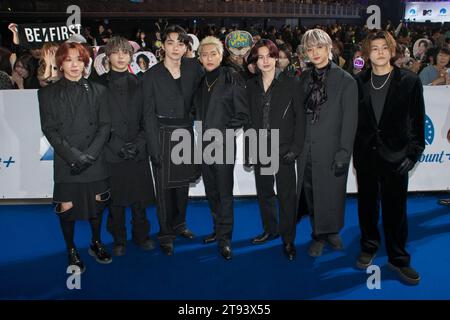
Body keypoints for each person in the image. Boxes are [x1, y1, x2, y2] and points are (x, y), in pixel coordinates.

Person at [354, 31, 425, 285]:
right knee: (367, 206)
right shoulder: (358, 81)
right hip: (366, 157)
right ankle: (369, 246)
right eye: (375, 48)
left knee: (396, 211)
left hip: (397, 157)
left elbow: (417, 122)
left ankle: (398, 259)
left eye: (385, 47)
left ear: (392, 51)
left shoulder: (409, 81)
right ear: (367, 53)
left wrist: (413, 154)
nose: (381, 52)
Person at [38, 42, 112, 273]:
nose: (74, 65)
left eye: (79, 60)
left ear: (85, 63)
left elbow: (105, 126)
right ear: (60, 63)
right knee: (67, 207)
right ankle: (71, 249)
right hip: (66, 160)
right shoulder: (46, 93)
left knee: (98, 203)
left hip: (94, 158)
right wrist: (73, 156)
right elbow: (50, 129)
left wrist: (89, 155)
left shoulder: (99, 90)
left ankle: (96, 242)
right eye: (69, 59)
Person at [142, 25, 203, 256]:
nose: (175, 47)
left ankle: (180, 224)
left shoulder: (193, 68)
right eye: (170, 42)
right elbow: (147, 113)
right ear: (163, 46)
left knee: (182, 185)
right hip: (161, 132)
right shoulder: (151, 75)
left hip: (184, 131)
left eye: (180, 43)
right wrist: (153, 146)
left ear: (186, 46)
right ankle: (166, 233)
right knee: (164, 188)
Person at [297, 29, 358, 258]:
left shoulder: (346, 80)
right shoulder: (302, 78)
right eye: (310, 49)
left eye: (319, 47)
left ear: (329, 48)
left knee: (333, 193)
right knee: (312, 194)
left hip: (333, 149)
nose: (315, 53)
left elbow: (350, 120)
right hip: (307, 149)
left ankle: (332, 231)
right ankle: (318, 234)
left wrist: (344, 152)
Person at [94, 36, 156, 257]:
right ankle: (118, 238)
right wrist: (116, 144)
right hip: (111, 150)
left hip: (138, 149)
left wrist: (139, 143)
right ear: (108, 56)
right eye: (116, 52)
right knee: (116, 201)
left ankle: (142, 235)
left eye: (125, 52)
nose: (120, 56)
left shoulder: (141, 83)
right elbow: (97, 121)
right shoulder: (97, 86)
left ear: (131, 55)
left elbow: (148, 118)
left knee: (139, 198)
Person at [246, 39, 305, 260]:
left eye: (269, 56)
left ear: (276, 58)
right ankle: (270, 230)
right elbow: (249, 120)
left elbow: (301, 119)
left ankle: (288, 240)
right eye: (260, 57)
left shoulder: (292, 83)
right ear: (255, 61)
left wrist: (295, 148)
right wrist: (251, 148)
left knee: (287, 197)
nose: (265, 61)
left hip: (284, 149)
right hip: (261, 145)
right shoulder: (250, 86)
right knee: (265, 193)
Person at [193, 36, 249, 260]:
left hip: (223, 142)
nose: (209, 58)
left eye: (213, 54)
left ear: (221, 55)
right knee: (211, 191)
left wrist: (223, 131)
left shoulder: (232, 76)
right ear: (200, 58)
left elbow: (242, 114)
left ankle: (225, 238)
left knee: (225, 192)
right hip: (202, 143)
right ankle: (217, 230)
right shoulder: (198, 80)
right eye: (204, 54)